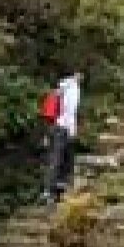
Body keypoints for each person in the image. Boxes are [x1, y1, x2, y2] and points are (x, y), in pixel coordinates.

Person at [43, 70, 82, 201]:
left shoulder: (61, 86)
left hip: (54, 127)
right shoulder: (72, 88)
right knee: (62, 159)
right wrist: (72, 131)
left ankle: (51, 190)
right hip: (63, 128)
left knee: (56, 158)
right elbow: (70, 112)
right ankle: (53, 190)